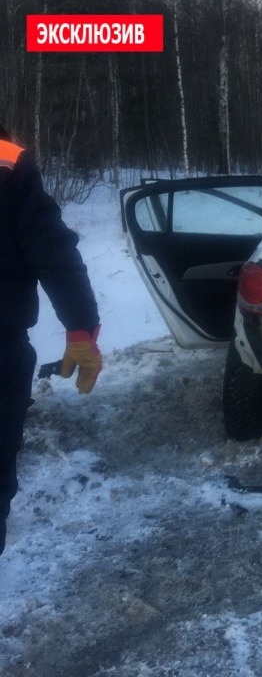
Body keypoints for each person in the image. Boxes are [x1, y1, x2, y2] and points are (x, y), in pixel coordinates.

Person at [0, 121, 102, 556]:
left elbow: (51, 248)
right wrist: (80, 327)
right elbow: (51, 250)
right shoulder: (7, 158)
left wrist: (80, 326)